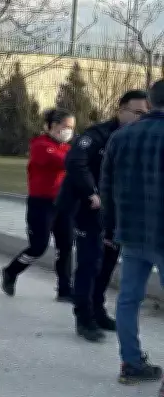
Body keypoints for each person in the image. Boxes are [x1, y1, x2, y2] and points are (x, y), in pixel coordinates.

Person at [58, 90, 150, 342]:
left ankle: (97, 310)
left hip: (115, 211)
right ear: (121, 110)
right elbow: (75, 162)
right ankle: (83, 317)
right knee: (89, 262)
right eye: (137, 112)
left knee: (107, 262)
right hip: (87, 207)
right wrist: (92, 191)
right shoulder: (97, 135)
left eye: (146, 113)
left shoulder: (136, 138)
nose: (142, 118)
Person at [100, 79, 164, 390]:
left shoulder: (121, 137)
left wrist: (110, 227)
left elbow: (107, 187)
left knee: (128, 299)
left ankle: (131, 363)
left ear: (150, 103)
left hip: (132, 231)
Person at [1, 109, 74, 301]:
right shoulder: (40, 145)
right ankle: (11, 271)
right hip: (41, 204)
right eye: (66, 126)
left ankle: (65, 289)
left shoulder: (67, 148)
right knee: (38, 247)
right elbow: (64, 162)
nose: (69, 131)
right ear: (53, 125)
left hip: (63, 203)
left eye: (72, 128)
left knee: (66, 246)